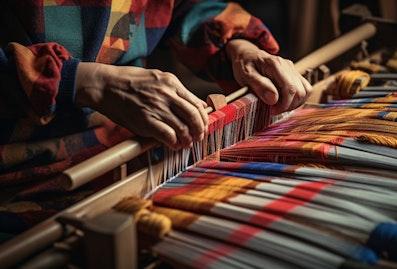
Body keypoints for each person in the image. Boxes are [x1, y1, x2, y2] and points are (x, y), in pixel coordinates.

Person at [0, 0, 311, 240]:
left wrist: (236, 46)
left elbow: (178, 7)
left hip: (136, 156)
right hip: (17, 185)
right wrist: (85, 82)